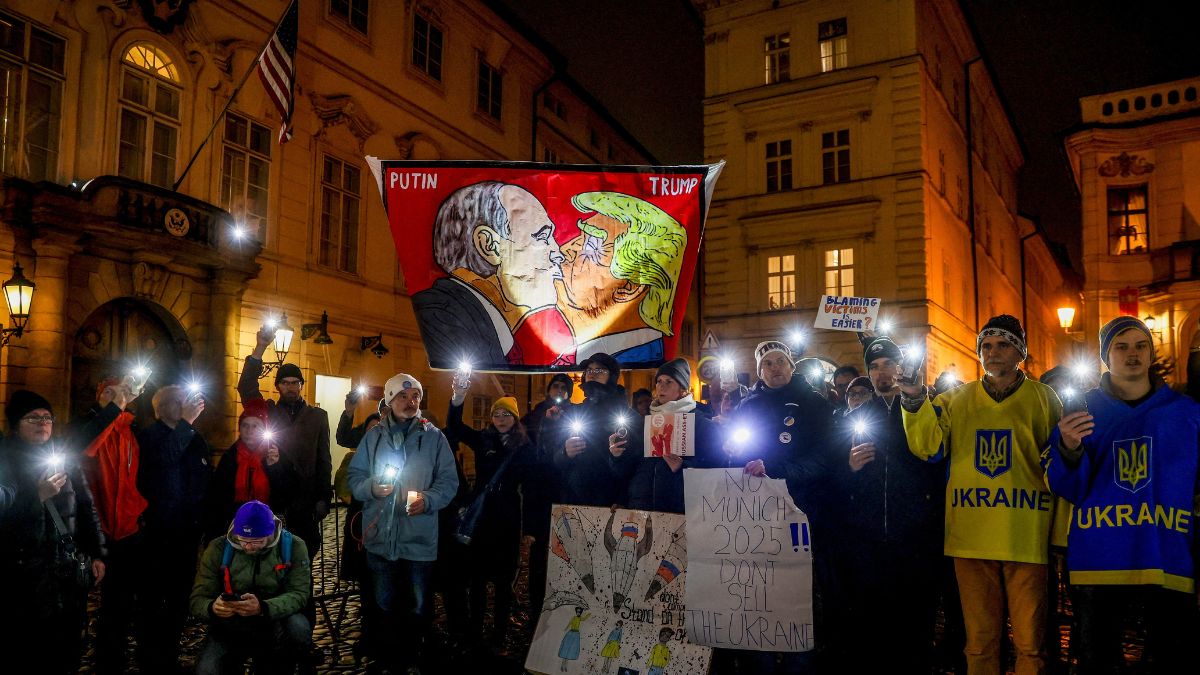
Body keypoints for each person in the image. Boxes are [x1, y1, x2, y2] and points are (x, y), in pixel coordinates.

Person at [901, 314, 1061, 675]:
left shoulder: (1044, 398)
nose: (993, 352)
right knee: (979, 643)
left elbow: (1058, 465)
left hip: (1025, 535)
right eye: (986, 346)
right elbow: (928, 447)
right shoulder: (955, 399)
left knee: (1031, 646)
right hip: (970, 537)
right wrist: (913, 401)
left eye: (1003, 344)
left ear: (1020, 351)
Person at [1047, 316, 1200, 673]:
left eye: (1140, 345)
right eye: (1121, 346)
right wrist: (1068, 448)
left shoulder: (1187, 413)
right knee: (1099, 659)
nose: (1132, 354)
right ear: (1106, 356)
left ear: (1150, 353)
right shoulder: (1082, 410)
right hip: (1099, 560)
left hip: (1167, 556)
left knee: (1174, 657)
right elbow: (1067, 488)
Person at [835, 336, 943, 673]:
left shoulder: (924, 408)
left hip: (913, 533)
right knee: (872, 616)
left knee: (915, 617)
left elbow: (937, 459)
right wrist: (849, 467)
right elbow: (836, 473)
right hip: (867, 535)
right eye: (875, 367)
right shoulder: (857, 416)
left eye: (888, 365)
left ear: (901, 367)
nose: (882, 373)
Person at [726, 340, 833, 674]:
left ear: (791, 366)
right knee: (760, 589)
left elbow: (823, 459)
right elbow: (736, 455)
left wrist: (777, 471)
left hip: (801, 509)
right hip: (757, 515)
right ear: (760, 371)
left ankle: (800, 659)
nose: (774, 368)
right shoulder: (748, 405)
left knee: (798, 589)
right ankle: (761, 660)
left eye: (780, 362)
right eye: (767, 363)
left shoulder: (814, 404)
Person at [347, 373, 460, 675]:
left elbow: (449, 481)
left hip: (418, 538)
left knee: (419, 605)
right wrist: (371, 487)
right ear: (390, 399)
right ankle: (390, 657)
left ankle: (415, 655)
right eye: (403, 397)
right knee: (383, 604)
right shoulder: (373, 436)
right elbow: (354, 478)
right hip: (380, 538)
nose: (411, 402)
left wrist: (429, 499)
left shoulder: (434, 437)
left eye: (416, 398)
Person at [0, 390, 106, 674]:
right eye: (33, 417)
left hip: (66, 572)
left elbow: (85, 506)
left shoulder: (63, 455)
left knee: (67, 647)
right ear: (16, 423)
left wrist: (96, 552)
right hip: (23, 575)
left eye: (47, 417)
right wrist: (36, 497)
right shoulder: (5, 458)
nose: (42, 423)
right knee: (28, 649)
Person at [412, 181, 573, 368]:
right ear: (490, 246)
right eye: (542, 237)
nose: (559, 254)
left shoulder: (474, 322)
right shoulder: (439, 319)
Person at [445, 378, 535, 649]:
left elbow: (532, 485)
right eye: (496, 413)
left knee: (503, 581)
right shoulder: (484, 439)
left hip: (507, 518)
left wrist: (529, 527)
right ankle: (475, 629)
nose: (500, 418)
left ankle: (499, 631)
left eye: (506, 414)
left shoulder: (525, 447)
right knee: (478, 578)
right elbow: (455, 427)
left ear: (515, 418)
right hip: (482, 518)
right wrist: (458, 396)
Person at [237, 327, 332, 563]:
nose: (290, 387)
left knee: (303, 560)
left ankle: (302, 599)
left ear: (301, 385)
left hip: (305, 497)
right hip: (274, 495)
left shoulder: (317, 416)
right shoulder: (268, 411)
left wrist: (323, 498)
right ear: (278, 386)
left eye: (295, 382)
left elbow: (324, 459)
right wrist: (259, 349)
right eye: (285, 383)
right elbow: (247, 386)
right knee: (273, 559)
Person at [561, 192, 689, 364]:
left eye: (592, 246)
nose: (565, 250)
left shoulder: (637, 359)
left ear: (630, 287)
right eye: (579, 240)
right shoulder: (583, 355)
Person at [136, 384, 211, 674]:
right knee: (153, 599)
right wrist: (186, 425)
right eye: (180, 402)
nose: (187, 405)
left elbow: (203, 478)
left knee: (180, 599)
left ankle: (170, 655)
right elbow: (163, 461)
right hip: (157, 532)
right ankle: (149, 658)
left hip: (186, 532)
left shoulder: (194, 437)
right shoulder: (149, 436)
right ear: (162, 408)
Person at [190, 500, 312, 675]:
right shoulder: (218, 548)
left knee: (297, 628)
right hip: (230, 622)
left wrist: (263, 607)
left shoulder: (294, 546)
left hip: (274, 617)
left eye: (256, 541)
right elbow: (198, 599)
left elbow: (299, 594)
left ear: (270, 533)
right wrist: (212, 607)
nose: (247, 546)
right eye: (243, 540)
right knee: (207, 670)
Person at [80, 376, 151, 675]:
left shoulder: (132, 432)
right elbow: (85, 450)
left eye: (118, 393)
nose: (113, 397)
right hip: (95, 528)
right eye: (107, 392)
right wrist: (116, 405)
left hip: (128, 528)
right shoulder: (88, 428)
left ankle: (113, 658)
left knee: (121, 601)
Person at [548, 352, 641, 507]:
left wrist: (622, 499)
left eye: (599, 370)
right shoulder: (574, 412)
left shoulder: (628, 416)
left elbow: (636, 466)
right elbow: (554, 458)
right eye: (589, 370)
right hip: (575, 502)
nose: (592, 374)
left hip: (610, 504)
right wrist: (565, 453)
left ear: (611, 376)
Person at [628, 358, 720, 513]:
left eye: (669, 381)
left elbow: (716, 466)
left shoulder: (701, 423)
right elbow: (633, 467)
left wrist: (683, 466)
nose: (661, 386)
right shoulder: (646, 422)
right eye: (659, 381)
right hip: (643, 509)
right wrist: (617, 456)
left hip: (683, 511)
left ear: (682, 389)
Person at [205, 399, 297, 540]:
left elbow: (286, 495)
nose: (249, 431)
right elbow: (219, 496)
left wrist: (275, 468)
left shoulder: (276, 455)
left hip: (267, 526)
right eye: (245, 426)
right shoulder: (230, 457)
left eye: (255, 426)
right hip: (235, 527)